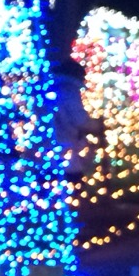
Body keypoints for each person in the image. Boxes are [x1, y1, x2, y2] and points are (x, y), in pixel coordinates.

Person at [51, 59, 105, 189]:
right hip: (67, 148)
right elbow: (80, 121)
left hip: (51, 150)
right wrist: (100, 125)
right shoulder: (69, 90)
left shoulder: (51, 88)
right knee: (74, 186)